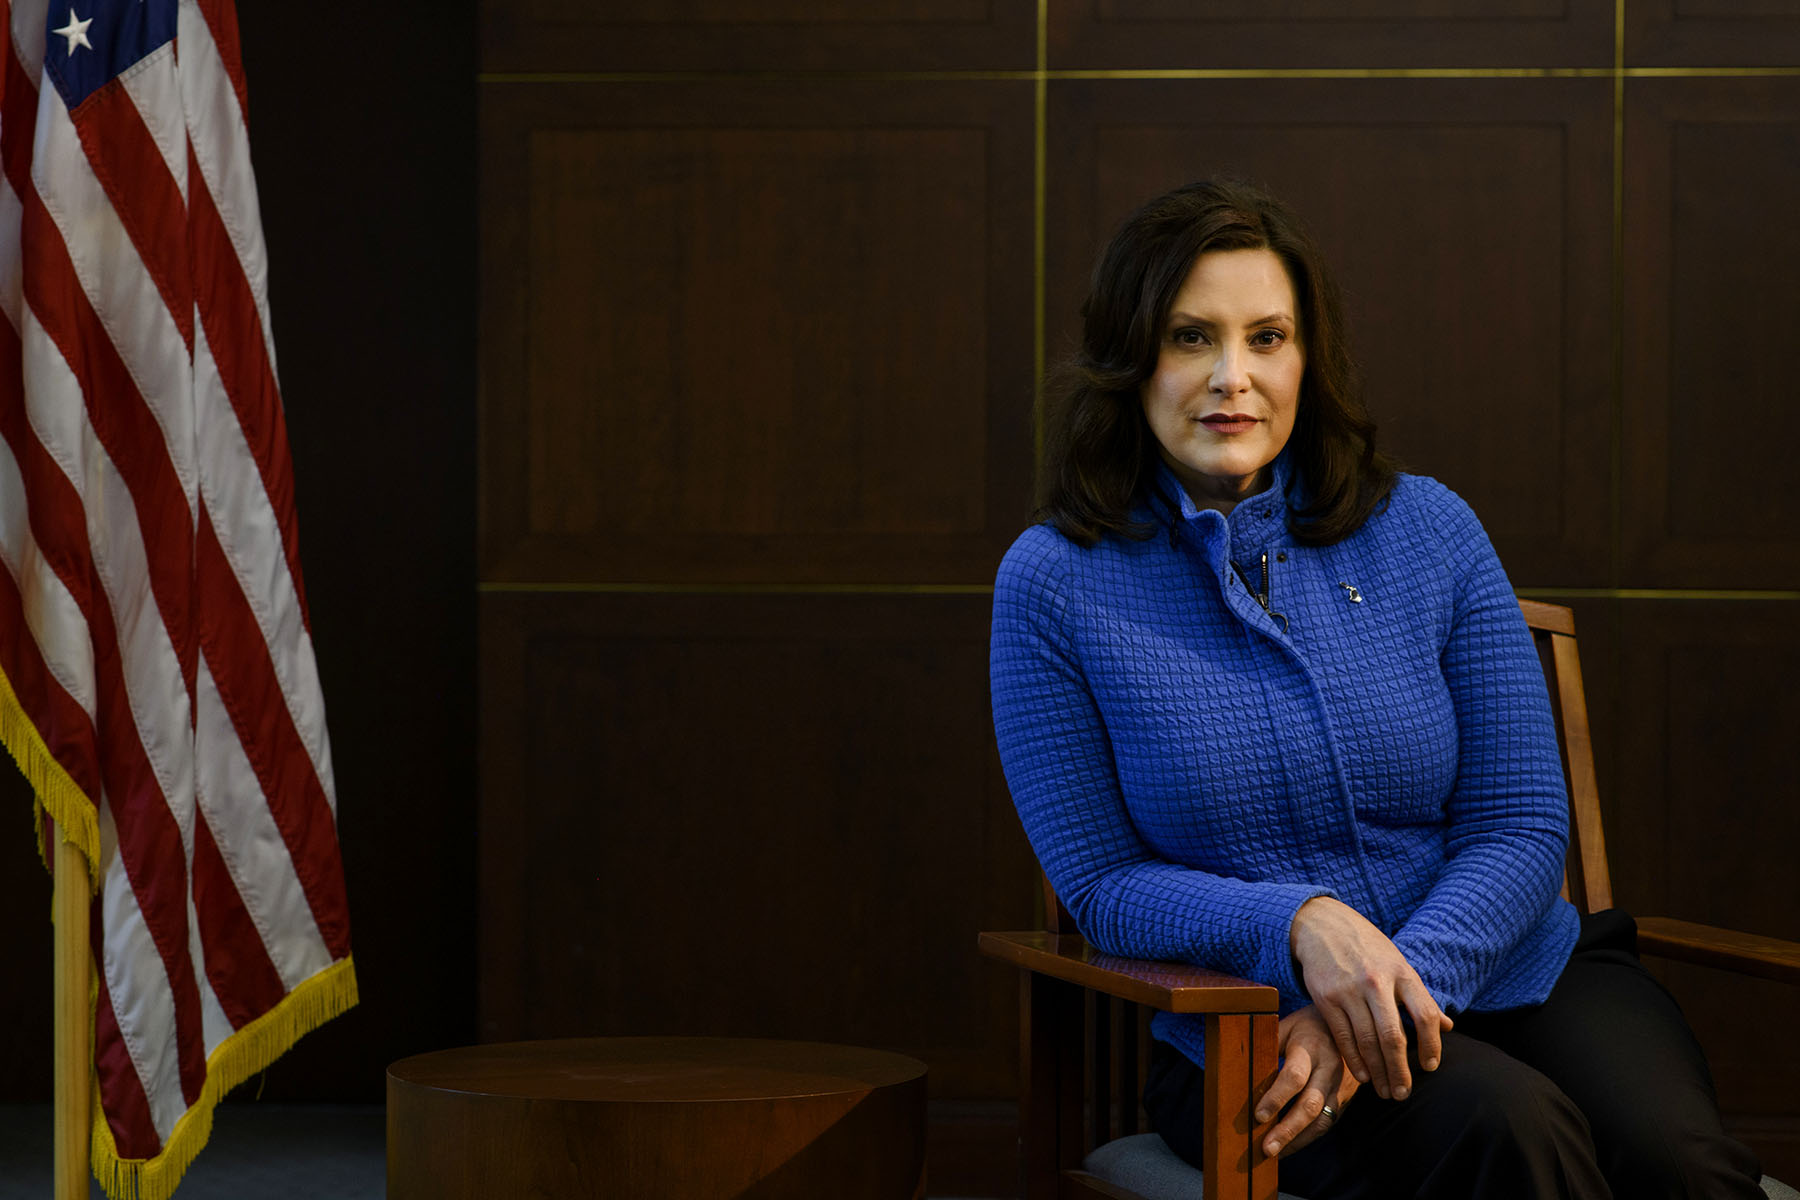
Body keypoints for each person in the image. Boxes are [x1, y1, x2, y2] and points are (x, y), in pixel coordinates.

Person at [988, 178, 1766, 1199]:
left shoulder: (1430, 529)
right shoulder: (1055, 580)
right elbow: (1101, 887)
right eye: (1190, 337)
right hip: (1250, 1031)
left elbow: (1525, 826)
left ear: (1310, 359)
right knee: (1512, 1135)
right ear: (1129, 359)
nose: (1233, 377)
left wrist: (1394, 993)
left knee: (1681, 1165)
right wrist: (1303, 925)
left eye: (1268, 337)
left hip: (1519, 967)